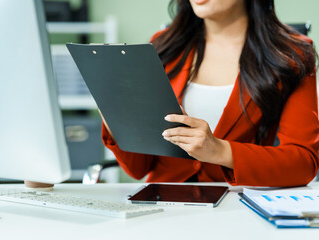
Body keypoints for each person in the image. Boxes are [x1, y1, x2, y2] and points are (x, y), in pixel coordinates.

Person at [101, 0, 319, 187]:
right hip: (163, 205)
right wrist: (115, 119)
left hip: (240, 207)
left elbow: (304, 162)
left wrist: (220, 150)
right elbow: (139, 168)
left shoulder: (292, 54)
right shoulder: (162, 46)